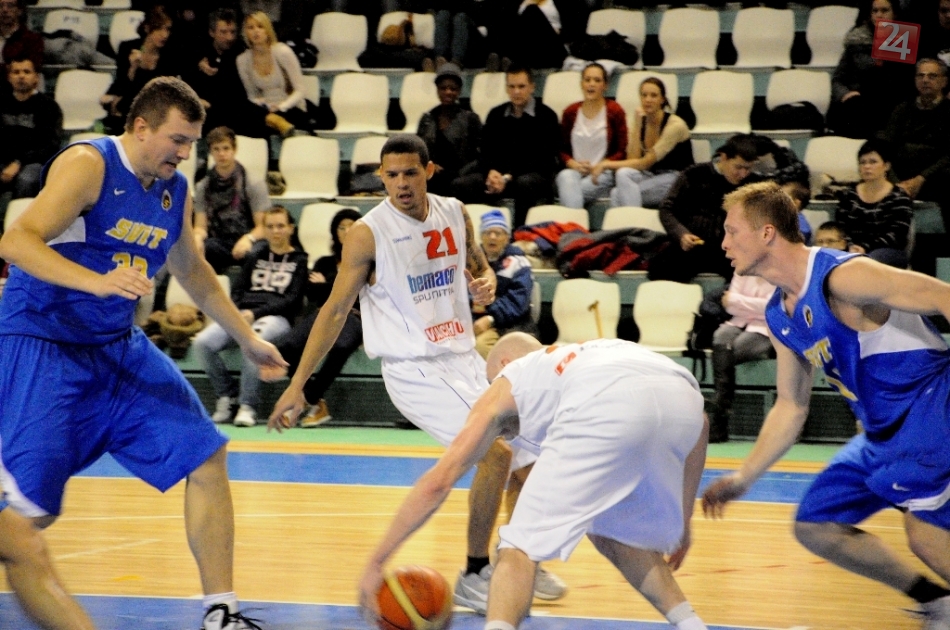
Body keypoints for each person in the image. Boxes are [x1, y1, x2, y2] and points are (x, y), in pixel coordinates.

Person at [0, 76, 284, 630]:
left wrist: (248, 339)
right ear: (140, 127)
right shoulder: (89, 164)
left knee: (205, 454)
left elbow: (193, 272)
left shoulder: (174, 190)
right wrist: (96, 282)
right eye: (177, 140)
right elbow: (16, 240)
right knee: (30, 519)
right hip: (45, 346)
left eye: (191, 144)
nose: (184, 153)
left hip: (116, 348)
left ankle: (221, 611)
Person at [267, 134, 566, 613]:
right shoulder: (368, 233)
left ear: (428, 171)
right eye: (391, 175)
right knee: (497, 452)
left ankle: (518, 557)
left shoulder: (454, 211)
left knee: (531, 454)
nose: (401, 183)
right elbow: (335, 310)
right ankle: (475, 572)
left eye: (410, 173)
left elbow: (479, 267)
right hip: (415, 370)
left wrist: (485, 283)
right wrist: (299, 385)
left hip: (463, 359)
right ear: (380, 177)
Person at [703, 180, 950, 627]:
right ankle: (937, 602)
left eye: (732, 231)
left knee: (927, 535)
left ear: (766, 233)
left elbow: (943, 296)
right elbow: (790, 406)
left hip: (931, 409)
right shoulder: (779, 314)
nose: (723, 243)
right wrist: (744, 476)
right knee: (816, 523)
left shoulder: (844, 276)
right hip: (881, 432)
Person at [358, 333, 710, 630]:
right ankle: (691, 624)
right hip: (683, 401)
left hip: (606, 405)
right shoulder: (582, 357)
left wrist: (376, 561)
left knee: (518, 549)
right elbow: (702, 424)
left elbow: (438, 482)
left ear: (504, 363)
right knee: (614, 533)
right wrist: (683, 519)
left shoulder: (511, 378)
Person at [195, 205, 308, 428]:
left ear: (290, 229)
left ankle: (248, 405)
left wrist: (255, 314)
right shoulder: (255, 256)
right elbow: (237, 290)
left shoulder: (300, 260)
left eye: (280, 226)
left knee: (254, 342)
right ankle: (227, 395)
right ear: (264, 230)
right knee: (202, 343)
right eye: (270, 226)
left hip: (276, 318)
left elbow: (293, 301)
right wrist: (235, 314)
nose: (276, 231)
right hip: (242, 315)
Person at [277, 207, 364, 428]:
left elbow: (360, 295)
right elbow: (312, 293)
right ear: (335, 232)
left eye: (351, 226)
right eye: (341, 227)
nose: (346, 231)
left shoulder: (368, 261)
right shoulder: (325, 262)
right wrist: (336, 289)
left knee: (341, 346)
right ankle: (316, 401)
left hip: (355, 317)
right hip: (323, 314)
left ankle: (308, 398)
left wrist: (326, 285)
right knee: (286, 347)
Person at [648, 134, 762, 283]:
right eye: (738, 167)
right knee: (661, 268)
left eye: (748, 168)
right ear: (723, 158)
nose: (743, 174)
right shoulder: (694, 175)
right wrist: (681, 234)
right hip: (692, 246)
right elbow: (666, 209)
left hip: (730, 250)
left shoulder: (754, 184)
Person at [457, 65, 560, 229]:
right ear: (506, 88)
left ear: (532, 87)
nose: (516, 91)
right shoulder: (496, 114)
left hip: (531, 176)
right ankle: (472, 233)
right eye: (512, 86)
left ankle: (520, 233)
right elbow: (485, 151)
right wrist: (491, 172)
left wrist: (507, 177)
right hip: (498, 176)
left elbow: (544, 159)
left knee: (524, 183)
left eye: (521, 86)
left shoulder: (546, 116)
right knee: (462, 184)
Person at [877, 58, 950, 233]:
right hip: (901, 178)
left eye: (932, 76)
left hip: (936, 178)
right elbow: (885, 148)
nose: (925, 80)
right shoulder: (901, 110)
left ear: (944, 81)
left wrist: (921, 179)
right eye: (921, 76)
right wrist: (897, 183)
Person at [828, 0, 915, 139]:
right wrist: (846, 94)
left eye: (884, 10)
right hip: (857, 101)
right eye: (875, 11)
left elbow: (901, 80)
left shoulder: (902, 38)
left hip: (889, 101)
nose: (879, 15)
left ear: (895, 14)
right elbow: (838, 79)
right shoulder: (856, 41)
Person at [603, 77, 692, 209]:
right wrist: (638, 125)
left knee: (617, 194)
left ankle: (634, 221)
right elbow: (632, 160)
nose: (648, 99)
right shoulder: (641, 120)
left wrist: (606, 164)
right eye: (644, 95)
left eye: (653, 95)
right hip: (652, 175)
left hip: (677, 179)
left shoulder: (675, 125)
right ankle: (634, 221)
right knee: (623, 174)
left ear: (662, 99)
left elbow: (645, 162)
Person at [709, 274, 776, 443]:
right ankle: (721, 408)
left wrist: (737, 301)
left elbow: (773, 306)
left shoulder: (778, 272)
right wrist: (753, 305)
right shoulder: (741, 271)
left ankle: (720, 410)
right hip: (739, 322)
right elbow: (729, 307)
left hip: (767, 328)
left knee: (733, 348)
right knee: (720, 336)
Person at [193, 126, 272, 273]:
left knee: (257, 252)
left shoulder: (253, 183)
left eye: (226, 148)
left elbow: (263, 226)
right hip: (220, 241)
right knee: (204, 248)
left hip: (250, 238)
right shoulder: (203, 186)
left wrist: (248, 238)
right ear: (210, 152)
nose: (221, 154)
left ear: (234, 150)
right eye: (216, 149)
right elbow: (201, 226)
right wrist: (197, 237)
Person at [554, 63, 628, 210]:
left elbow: (622, 151)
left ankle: (574, 223)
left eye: (597, 80)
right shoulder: (570, 112)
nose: (591, 84)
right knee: (565, 177)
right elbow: (561, 149)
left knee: (570, 192)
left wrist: (603, 165)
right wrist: (572, 163)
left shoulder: (615, 111)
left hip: (602, 173)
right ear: (581, 84)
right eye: (587, 80)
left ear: (605, 85)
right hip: (575, 171)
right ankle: (577, 223)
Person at [100, 5, 179, 136]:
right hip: (130, 101)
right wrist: (133, 68)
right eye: (158, 29)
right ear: (147, 28)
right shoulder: (127, 47)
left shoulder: (169, 54)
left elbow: (165, 90)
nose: (164, 35)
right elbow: (122, 84)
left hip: (155, 106)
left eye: (167, 29)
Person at [835, 139, 913, 268]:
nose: (867, 166)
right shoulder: (848, 195)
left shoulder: (899, 197)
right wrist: (851, 246)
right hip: (852, 249)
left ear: (886, 166)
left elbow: (897, 235)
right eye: (863, 162)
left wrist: (864, 247)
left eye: (873, 162)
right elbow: (840, 228)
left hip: (888, 251)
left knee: (869, 261)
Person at [472, 209, 537, 359]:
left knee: (481, 346)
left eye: (498, 233)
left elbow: (518, 302)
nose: (492, 237)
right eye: (487, 233)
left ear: (507, 238)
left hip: (510, 325)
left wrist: (490, 318)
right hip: (475, 322)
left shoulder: (518, 263)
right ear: (481, 237)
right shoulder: (472, 263)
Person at [236, 11, 310, 138]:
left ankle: (277, 122)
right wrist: (262, 105)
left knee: (257, 122)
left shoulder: (282, 52)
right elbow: (252, 95)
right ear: (245, 33)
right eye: (251, 27)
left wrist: (281, 107)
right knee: (242, 111)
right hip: (265, 110)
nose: (256, 31)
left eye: (260, 26)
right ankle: (273, 120)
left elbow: (300, 90)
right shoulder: (242, 60)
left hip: (290, 107)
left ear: (267, 30)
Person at [184, 8, 258, 136]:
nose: (229, 37)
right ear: (212, 32)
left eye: (232, 32)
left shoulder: (241, 55)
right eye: (223, 32)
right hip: (205, 118)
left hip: (235, 117)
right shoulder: (199, 55)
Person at [416, 62, 483, 199]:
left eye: (453, 89)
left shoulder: (471, 119)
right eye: (443, 88)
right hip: (434, 175)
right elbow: (419, 152)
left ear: (459, 91)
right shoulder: (427, 119)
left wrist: (458, 173)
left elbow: (480, 156)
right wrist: (430, 165)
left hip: (461, 175)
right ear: (437, 90)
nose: (448, 92)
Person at [0, 56, 62, 200]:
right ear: (9, 77)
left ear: (36, 78)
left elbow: (50, 145)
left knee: (26, 180)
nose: (21, 76)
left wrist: (18, 162)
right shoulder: (2, 103)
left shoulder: (48, 106)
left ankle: (23, 214)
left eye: (26, 72)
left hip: (34, 161)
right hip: (5, 159)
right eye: (16, 72)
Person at [0, 0, 42, 81]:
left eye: (10, 6)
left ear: (20, 11)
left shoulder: (32, 39)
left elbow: (27, 69)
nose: (4, 10)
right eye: (0, 6)